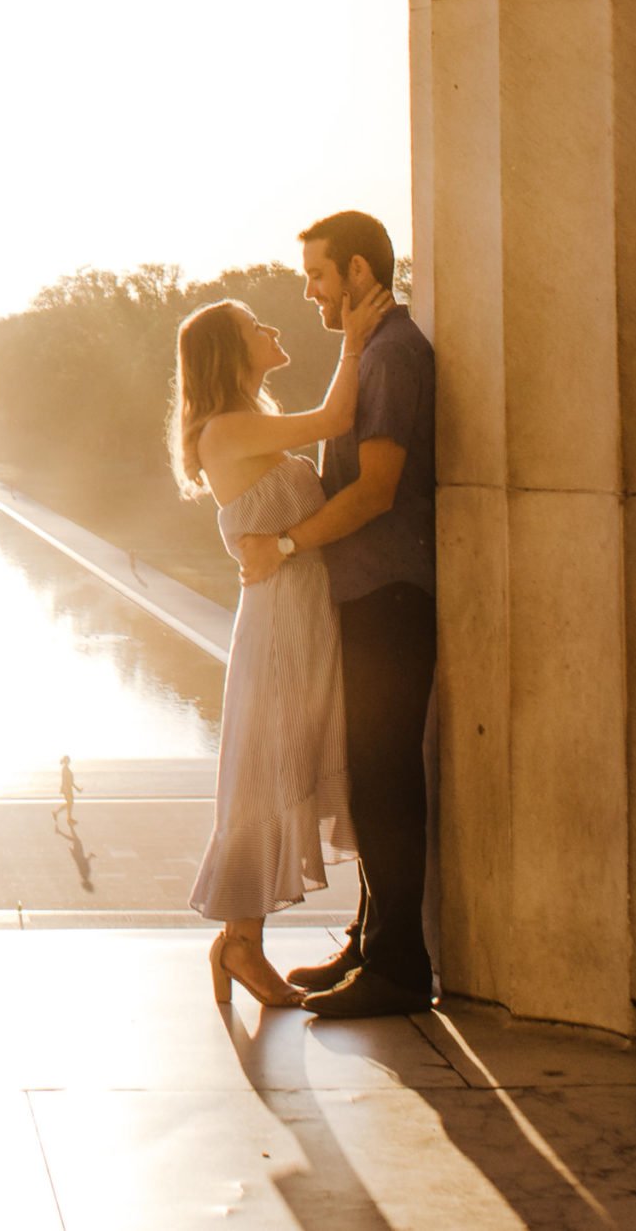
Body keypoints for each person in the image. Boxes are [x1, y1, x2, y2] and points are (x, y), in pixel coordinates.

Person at [236, 211, 437, 1019]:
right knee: (371, 775)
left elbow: (376, 489)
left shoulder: (393, 355)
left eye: (317, 274)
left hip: (388, 597)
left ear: (357, 272)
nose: (311, 290)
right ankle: (369, 940)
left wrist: (284, 543)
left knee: (387, 780)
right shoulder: (374, 352)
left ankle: (397, 967)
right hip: (367, 597)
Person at [176, 280, 390, 1007]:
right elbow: (337, 416)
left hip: (303, 618)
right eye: (253, 323)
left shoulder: (249, 422)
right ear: (230, 352)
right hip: (278, 629)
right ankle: (241, 940)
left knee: (288, 766)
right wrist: (354, 337)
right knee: (265, 775)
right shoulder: (226, 431)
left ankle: (251, 938)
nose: (270, 325)